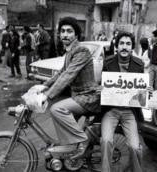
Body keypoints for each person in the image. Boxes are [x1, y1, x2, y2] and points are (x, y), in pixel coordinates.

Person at [31, 16, 101, 159]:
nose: (65, 34)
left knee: (57, 109)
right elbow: (61, 73)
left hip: (88, 98)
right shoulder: (69, 52)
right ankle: (69, 156)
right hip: (78, 97)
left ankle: (82, 142)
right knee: (63, 129)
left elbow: (67, 76)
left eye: (69, 31)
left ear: (76, 34)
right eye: (62, 31)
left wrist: (48, 96)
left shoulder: (82, 51)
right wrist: (43, 86)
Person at [101, 31, 144, 172]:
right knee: (106, 141)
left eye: (128, 44)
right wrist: (100, 88)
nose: (124, 47)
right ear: (116, 46)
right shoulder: (108, 62)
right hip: (111, 110)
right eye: (122, 43)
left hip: (129, 111)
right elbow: (102, 85)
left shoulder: (139, 64)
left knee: (134, 146)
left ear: (132, 47)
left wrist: (146, 91)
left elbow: (141, 90)